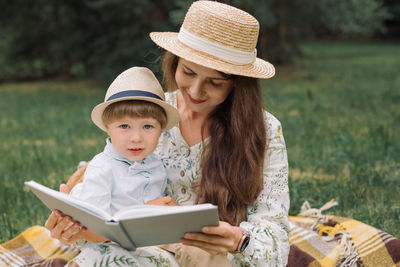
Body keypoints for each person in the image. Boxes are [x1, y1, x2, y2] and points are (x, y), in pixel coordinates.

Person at [45, 1, 290, 266]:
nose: (195, 91)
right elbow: (105, 176)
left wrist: (237, 239)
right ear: (174, 63)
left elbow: (275, 242)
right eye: (188, 72)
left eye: (215, 82)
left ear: (237, 85)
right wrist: (71, 221)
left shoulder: (263, 130)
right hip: (143, 250)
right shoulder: (151, 114)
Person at [55, 66, 180, 245]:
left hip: (149, 241)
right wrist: (143, 214)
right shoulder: (102, 169)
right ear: (108, 128)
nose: (136, 138)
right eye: (124, 126)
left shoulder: (155, 164)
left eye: (148, 127)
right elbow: (93, 230)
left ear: (161, 130)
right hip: (109, 246)